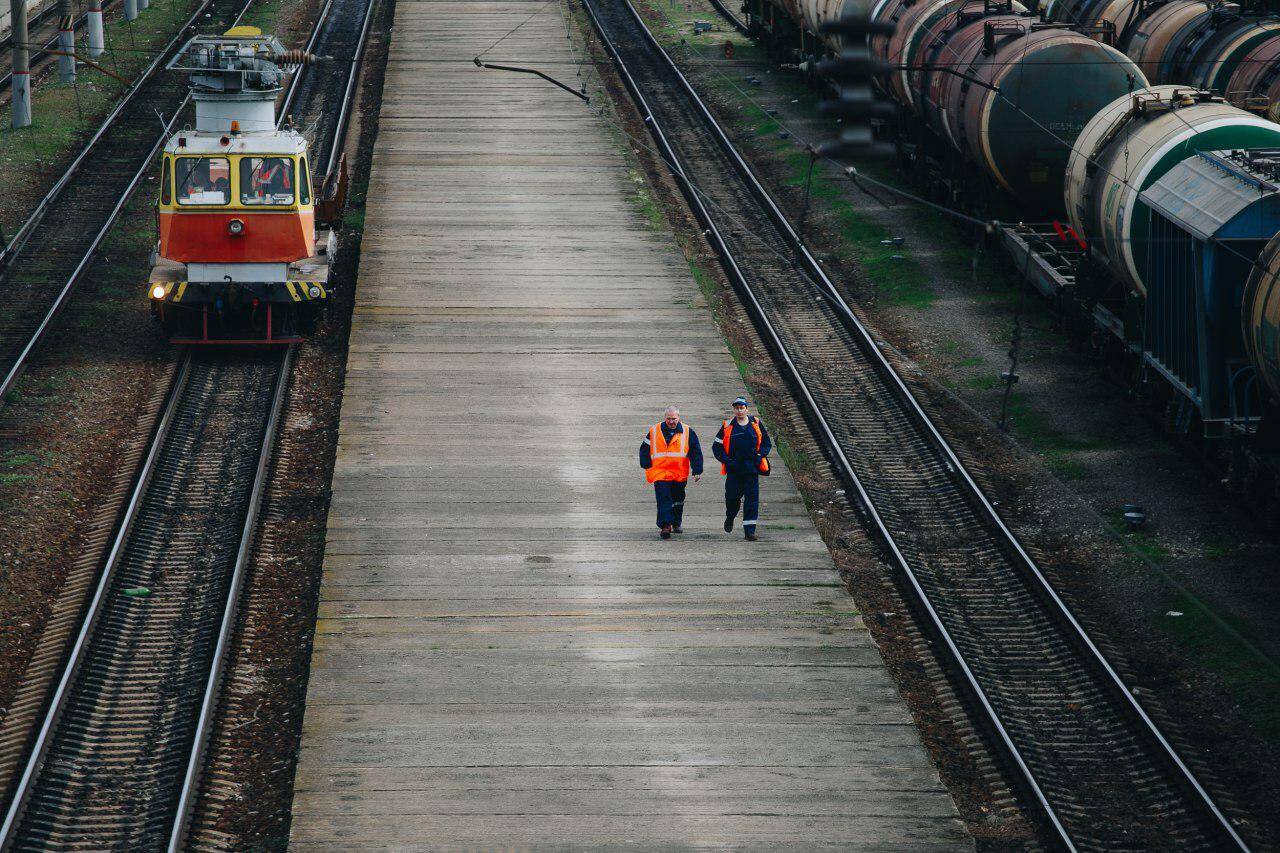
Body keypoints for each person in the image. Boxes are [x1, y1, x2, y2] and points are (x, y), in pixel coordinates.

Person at [639, 406, 703, 539]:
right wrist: (645, 463)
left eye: (674, 419)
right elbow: (645, 448)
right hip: (660, 472)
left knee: (678, 500)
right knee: (664, 499)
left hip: (679, 474)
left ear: (679, 417)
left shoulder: (687, 431)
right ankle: (665, 526)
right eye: (669, 419)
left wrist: (697, 470)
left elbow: (695, 451)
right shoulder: (655, 430)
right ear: (665, 418)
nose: (671, 421)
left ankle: (676, 522)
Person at [713, 397, 772, 541]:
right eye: (737, 408)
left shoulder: (756, 423)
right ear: (733, 410)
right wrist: (728, 461)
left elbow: (766, 443)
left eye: (742, 408)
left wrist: (759, 455)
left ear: (747, 409)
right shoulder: (727, 426)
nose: (739, 410)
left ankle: (749, 531)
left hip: (752, 470)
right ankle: (730, 517)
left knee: (752, 501)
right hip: (734, 471)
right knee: (732, 499)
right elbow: (717, 447)